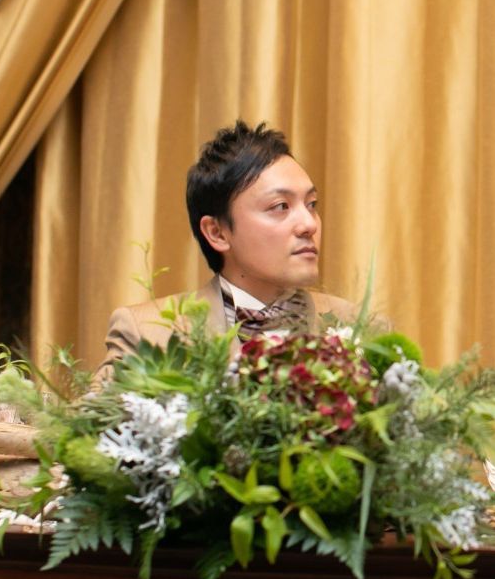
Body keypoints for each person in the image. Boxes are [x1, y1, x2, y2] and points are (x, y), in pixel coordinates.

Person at [95, 120, 356, 382]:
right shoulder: (148, 334)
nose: (309, 224)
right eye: (280, 206)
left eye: (311, 204)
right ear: (217, 233)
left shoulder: (355, 325)